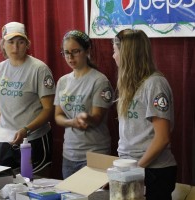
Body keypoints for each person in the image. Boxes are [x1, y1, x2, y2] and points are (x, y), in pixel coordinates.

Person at [112, 29, 177, 200]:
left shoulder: (155, 83)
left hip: (153, 170)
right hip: (131, 167)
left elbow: (162, 138)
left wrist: (135, 170)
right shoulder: (129, 85)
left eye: (115, 51)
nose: (113, 56)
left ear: (126, 54)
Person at [0, 22, 55, 174]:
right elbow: (0, 106)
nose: (15, 47)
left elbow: (48, 109)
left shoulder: (39, 69)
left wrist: (26, 130)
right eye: (11, 42)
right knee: (7, 187)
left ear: (27, 44)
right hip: (6, 141)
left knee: (33, 184)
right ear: (3, 45)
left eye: (20, 42)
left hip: (33, 140)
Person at [54, 30, 114, 179]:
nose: (70, 57)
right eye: (66, 53)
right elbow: (58, 116)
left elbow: (97, 118)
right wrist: (72, 122)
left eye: (75, 52)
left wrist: (86, 118)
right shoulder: (63, 81)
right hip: (69, 154)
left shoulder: (99, 80)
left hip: (95, 153)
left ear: (87, 51)